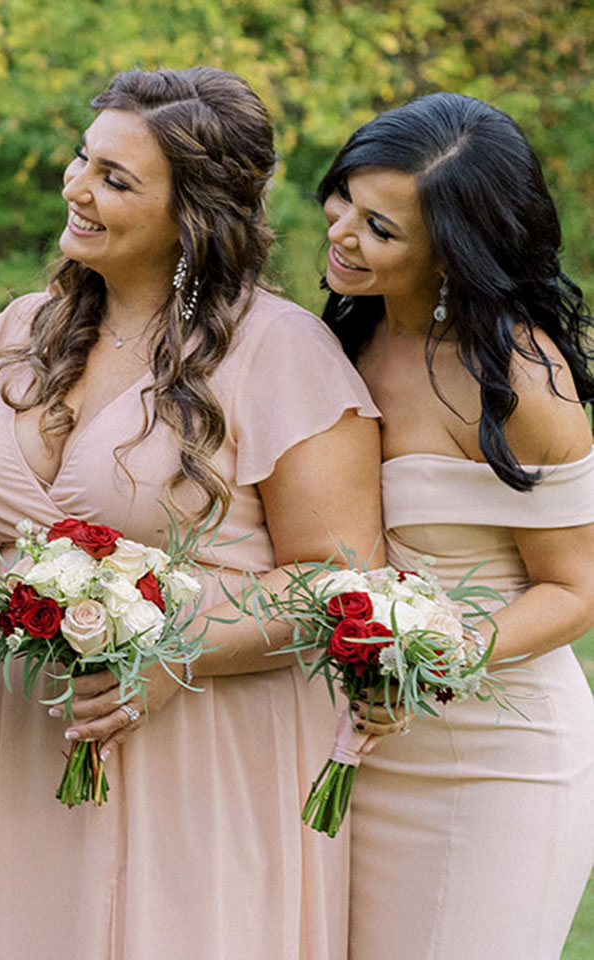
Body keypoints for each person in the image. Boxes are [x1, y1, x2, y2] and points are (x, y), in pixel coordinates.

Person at [0, 67, 380, 960]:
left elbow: (338, 583)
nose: (77, 187)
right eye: (83, 159)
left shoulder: (280, 351)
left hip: (201, 744)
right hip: (27, 743)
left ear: (194, 217)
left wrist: (171, 656)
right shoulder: (17, 333)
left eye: (116, 179)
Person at [317, 92, 594, 960]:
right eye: (344, 201)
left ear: (456, 252)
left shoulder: (518, 379)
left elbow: (575, 589)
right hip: (355, 743)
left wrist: (437, 656)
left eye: (382, 229)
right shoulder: (347, 334)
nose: (343, 235)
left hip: (494, 759)